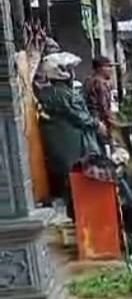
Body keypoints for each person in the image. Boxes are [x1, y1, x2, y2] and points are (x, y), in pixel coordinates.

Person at [36, 52, 106, 220]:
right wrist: (99, 125)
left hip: (60, 150)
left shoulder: (48, 93)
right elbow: (82, 117)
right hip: (73, 149)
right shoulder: (64, 95)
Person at [83, 56, 115, 143]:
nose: (111, 70)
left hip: (90, 120)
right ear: (100, 68)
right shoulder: (100, 83)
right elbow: (104, 107)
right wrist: (111, 123)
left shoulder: (88, 80)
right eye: (108, 66)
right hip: (99, 120)